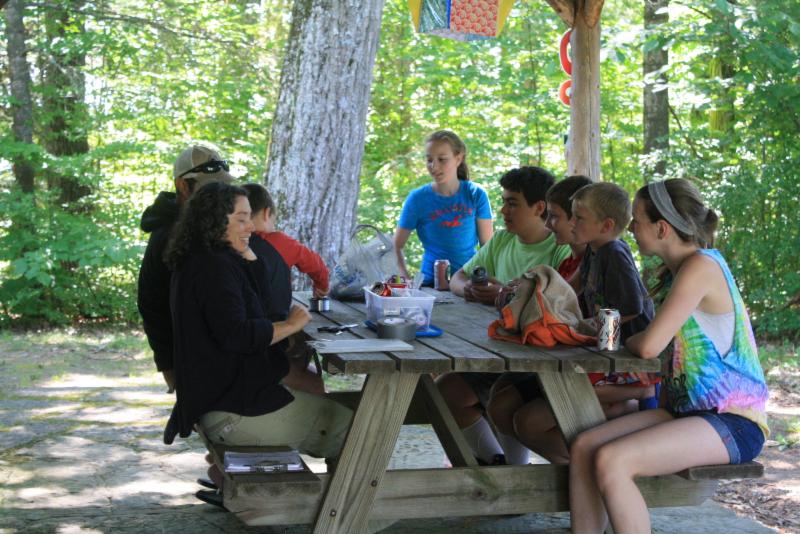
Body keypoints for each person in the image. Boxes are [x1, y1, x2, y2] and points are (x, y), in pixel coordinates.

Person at [569, 179, 769, 533]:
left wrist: (636, 339)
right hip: (687, 412)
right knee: (585, 446)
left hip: (732, 421)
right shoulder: (678, 272)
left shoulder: (701, 267)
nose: (632, 228)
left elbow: (648, 346)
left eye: (638, 221)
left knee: (613, 461)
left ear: (662, 228)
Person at [162, 182, 353, 490]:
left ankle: (338, 502)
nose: (251, 226)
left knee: (346, 413)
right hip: (231, 410)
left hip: (220, 400)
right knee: (360, 430)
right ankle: (344, 510)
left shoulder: (206, 259)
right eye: (241, 219)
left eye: (250, 217)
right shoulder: (213, 268)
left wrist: (250, 258)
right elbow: (238, 334)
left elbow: (259, 309)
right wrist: (290, 326)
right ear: (214, 222)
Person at [438, 166, 571, 465]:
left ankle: (513, 469)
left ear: (539, 208)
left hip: (537, 359)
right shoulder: (501, 240)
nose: (503, 210)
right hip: (492, 349)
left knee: (502, 399)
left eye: (512, 203)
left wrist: (505, 296)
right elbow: (458, 277)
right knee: (445, 391)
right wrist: (469, 289)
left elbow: (558, 306)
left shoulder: (560, 248)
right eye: (503, 202)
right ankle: (498, 467)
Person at [485, 174, 593, 465]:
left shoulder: (605, 260)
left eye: (554, 217)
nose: (548, 224)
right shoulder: (571, 262)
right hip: (560, 360)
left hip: (587, 370)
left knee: (525, 419)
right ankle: (515, 473)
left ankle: (586, 471)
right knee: (499, 400)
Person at [137, 143, 233, 393]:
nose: (220, 196)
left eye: (223, 187)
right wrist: (169, 368)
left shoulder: (210, 226)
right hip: (195, 366)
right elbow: (151, 303)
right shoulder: (171, 236)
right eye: (209, 188)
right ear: (183, 186)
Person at [243, 182, 327, 395]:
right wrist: (321, 288)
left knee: (300, 357)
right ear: (266, 213)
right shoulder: (279, 242)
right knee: (314, 383)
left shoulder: (225, 244)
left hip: (251, 336)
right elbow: (317, 266)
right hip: (266, 338)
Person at [394, 130, 493, 286]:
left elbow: (487, 247)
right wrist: (406, 279)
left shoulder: (475, 194)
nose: (434, 166)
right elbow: (396, 246)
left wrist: (485, 282)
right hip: (430, 284)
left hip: (467, 283)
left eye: (442, 159)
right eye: (429, 160)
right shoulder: (418, 198)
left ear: (458, 158)